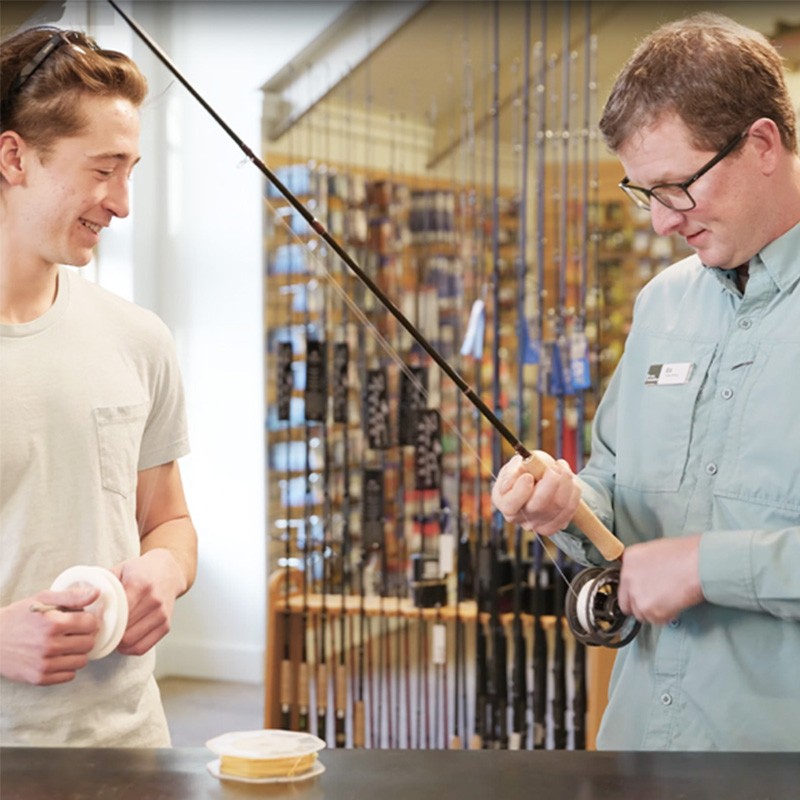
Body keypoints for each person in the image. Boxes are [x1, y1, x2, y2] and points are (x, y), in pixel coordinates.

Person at [492, 13, 800, 751]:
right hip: (639, 746)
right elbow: (617, 490)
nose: (662, 223)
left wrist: (705, 566)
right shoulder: (663, 301)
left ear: (761, 144)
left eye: (677, 188)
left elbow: (680, 561)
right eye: (646, 193)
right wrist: (565, 505)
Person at [0, 26, 197, 746]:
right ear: (14, 156)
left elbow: (169, 520)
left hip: (134, 749)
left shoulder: (139, 338)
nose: (121, 204)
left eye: (132, 170)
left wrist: (163, 573)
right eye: (103, 169)